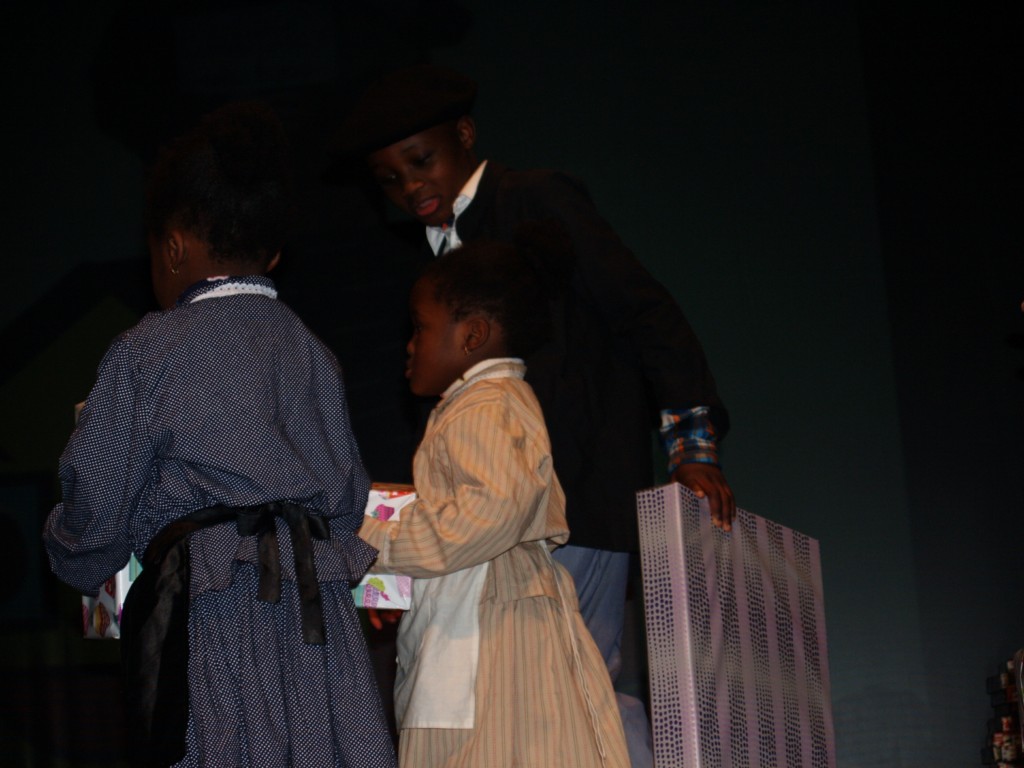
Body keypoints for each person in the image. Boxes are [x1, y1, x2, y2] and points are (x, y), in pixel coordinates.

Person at [332, 64, 737, 767]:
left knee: (579, 689)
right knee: (548, 700)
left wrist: (692, 447)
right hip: (500, 531)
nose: (410, 187)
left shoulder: (533, 201)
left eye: (421, 161)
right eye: (390, 179)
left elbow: (643, 310)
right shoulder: (434, 255)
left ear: (464, 135)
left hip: (574, 496)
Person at [42, 102, 397, 768]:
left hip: (213, 613)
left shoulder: (147, 351)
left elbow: (98, 493)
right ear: (274, 252)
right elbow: (348, 499)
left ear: (173, 247)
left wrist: (73, 551)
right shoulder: (313, 352)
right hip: (316, 625)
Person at [358, 237, 630, 767]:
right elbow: (459, 520)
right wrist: (387, 579)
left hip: (495, 631)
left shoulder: (486, 405)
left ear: (473, 335)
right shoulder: (478, 406)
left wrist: (370, 540)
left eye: (419, 328)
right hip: (469, 626)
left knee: (499, 746)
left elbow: (487, 515)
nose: (409, 346)